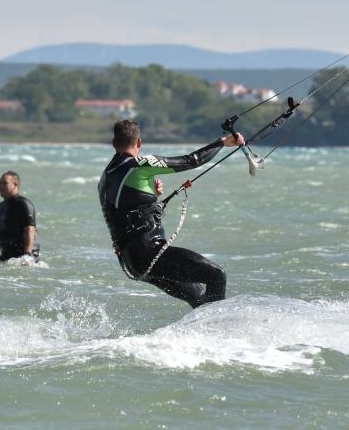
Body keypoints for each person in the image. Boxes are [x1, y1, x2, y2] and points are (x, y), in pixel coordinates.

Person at [97, 119, 244, 308]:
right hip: (150, 254)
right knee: (216, 275)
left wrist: (150, 194)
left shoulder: (105, 176)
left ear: (113, 144)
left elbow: (121, 207)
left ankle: (200, 336)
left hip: (131, 262)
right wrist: (223, 142)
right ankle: (218, 332)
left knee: (199, 297)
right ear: (139, 142)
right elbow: (191, 160)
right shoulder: (140, 164)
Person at [0, 170, 39, 262]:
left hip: (24, 258)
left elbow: (30, 229)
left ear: (15, 185)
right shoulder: (1, 207)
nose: (0, 186)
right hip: (6, 258)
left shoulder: (23, 204)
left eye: (5, 183)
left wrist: (27, 255)